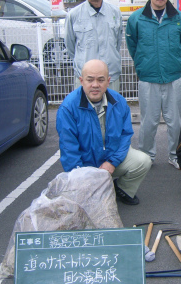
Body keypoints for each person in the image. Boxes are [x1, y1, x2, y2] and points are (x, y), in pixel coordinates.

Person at [56, 59, 152, 205]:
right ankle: (93, 190)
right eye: (90, 80)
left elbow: (125, 136)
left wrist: (112, 163)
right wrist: (83, 178)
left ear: (108, 81)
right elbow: (69, 150)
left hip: (110, 161)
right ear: (81, 81)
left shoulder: (119, 102)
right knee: (89, 204)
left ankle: (121, 188)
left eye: (101, 80)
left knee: (143, 161)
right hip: (84, 166)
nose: (95, 85)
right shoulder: (68, 108)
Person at [126, 0, 181, 169]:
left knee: (175, 121)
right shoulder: (137, 18)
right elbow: (132, 45)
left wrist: (173, 61)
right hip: (148, 77)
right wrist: (143, 64)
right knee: (148, 122)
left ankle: (175, 155)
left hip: (173, 77)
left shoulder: (179, 18)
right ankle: (146, 156)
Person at [65, 0, 123, 91]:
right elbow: (71, 47)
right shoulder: (74, 15)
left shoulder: (115, 12)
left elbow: (117, 43)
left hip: (110, 76)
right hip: (85, 79)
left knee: (110, 109)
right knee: (84, 110)